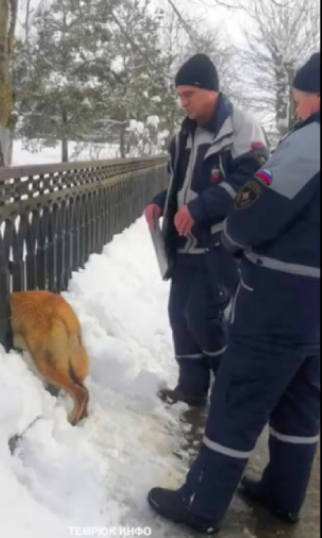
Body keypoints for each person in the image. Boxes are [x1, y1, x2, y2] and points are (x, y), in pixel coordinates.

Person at [148, 51, 320, 534]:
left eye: (301, 98)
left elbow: (250, 215)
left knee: (237, 401)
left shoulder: (309, 144)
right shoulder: (187, 132)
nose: (299, 108)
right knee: (301, 403)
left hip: (280, 299)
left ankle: (201, 505)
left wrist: (230, 234)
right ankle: (282, 495)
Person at [144, 53, 270, 408]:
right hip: (184, 244)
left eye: (188, 94)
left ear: (210, 90)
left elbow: (252, 181)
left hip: (220, 244)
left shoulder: (242, 127)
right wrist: (159, 202)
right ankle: (192, 389)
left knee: (202, 317)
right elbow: (179, 184)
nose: (182, 102)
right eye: (179, 95)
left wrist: (200, 208)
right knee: (180, 317)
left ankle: (232, 386)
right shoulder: (184, 134)